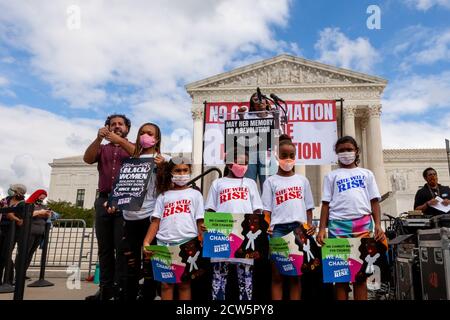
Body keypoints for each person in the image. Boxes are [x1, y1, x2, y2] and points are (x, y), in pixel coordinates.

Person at [316, 136, 385, 300]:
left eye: (349, 149)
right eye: (341, 150)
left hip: (363, 225)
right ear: (336, 154)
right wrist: (321, 229)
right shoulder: (331, 176)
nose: (345, 153)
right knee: (340, 277)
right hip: (337, 226)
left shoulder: (366, 174)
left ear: (356, 151)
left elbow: (374, 201)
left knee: (361, 276)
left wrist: (378, 225)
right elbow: (325, 204)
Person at [110, 122, 169, 300]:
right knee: (130, 264)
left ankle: (149, 296)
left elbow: (168, 188)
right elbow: (123, 185)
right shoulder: (130, 160)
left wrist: (162, 169)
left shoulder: (163, 158)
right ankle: (129, 295)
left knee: (150, 264)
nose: (145, 136)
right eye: (142, 132)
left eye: (150, 133)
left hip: (151, 218)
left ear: (156, 138)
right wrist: (114, 201)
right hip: (129, 217)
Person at [83, 114, 134, 300]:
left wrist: (119, 140)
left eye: (121, 124)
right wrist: (98, 138)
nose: (117, 126)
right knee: (104, 248)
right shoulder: (102, 148)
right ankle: (105, 289)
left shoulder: (133, 147)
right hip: (103, 199)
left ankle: (120, 288)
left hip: (125, 200)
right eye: (113, 124)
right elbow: (87, 159)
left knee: (121, 248)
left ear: (127, 128)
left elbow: (138, 155)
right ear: (107, 127)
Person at [204, 148, 263, 301]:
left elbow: (257, 209)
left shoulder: (250, 183)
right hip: (221, 235)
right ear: (229, 164)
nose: (243, 166)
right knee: (218, 277)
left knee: (246, 277)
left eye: (246, 163)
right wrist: (206, 227)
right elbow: (210, 209)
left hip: (245, 236)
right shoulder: (218, 183)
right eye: (239, 162)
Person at [261, 134, 315, 300]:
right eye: (284, 155)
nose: (288, 159)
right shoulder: (270, 181)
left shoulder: (302, 180)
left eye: (291, 155)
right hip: (278, 231)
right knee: (277, 275)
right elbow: (266, 210)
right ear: (277, 156)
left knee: (295, 275)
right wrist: (267, 226)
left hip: (298, 230)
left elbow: (308, 207)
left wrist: (309, 225)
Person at [143, 157, 204, 300]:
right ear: (171, 173)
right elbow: (155, 221)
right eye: (177, 170)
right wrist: (146, 241)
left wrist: (204, 240)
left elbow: (200, 220)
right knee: (166, 285)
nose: (181, 173)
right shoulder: (163, 195)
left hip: (188, 243)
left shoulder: (195, 194)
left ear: (190, 171)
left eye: (185, 170)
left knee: (184, 284)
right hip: (163, 245)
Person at [240, 92, 277, 190]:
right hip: (250, 152)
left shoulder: (272, 116)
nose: (260, 101)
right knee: (249, 183)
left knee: (267, 185)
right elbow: (240, 134)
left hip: (267, 152)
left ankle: (267, 205)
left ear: (267, 102)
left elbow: (278, 135)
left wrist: (276, 118)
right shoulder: (247, 116)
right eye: (256, 99)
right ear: (253, 104)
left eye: (263, 98)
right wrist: (241, 117)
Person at [0, 184, 26, 284]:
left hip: (13, 232)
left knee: (6, 255)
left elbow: (20, 221)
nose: (10, 191)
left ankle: (9, 280)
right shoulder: (7, 199)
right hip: (2, 228)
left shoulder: (22, 204)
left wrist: (9, 213)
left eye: (13, 190)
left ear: (18, 193)